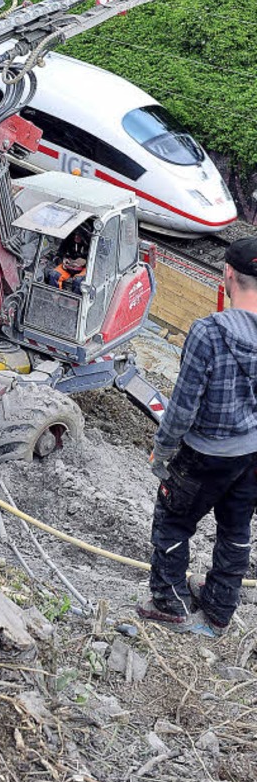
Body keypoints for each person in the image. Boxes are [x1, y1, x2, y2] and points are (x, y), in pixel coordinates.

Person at [137, 237, 257, 636]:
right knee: (236, 529)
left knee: (172, 520)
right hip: (251, 454)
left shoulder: (208, 333)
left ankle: (169, 601)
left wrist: (163, 451)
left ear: (226, 275)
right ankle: (220, 608)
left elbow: (183, 406)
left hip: (204, 453)